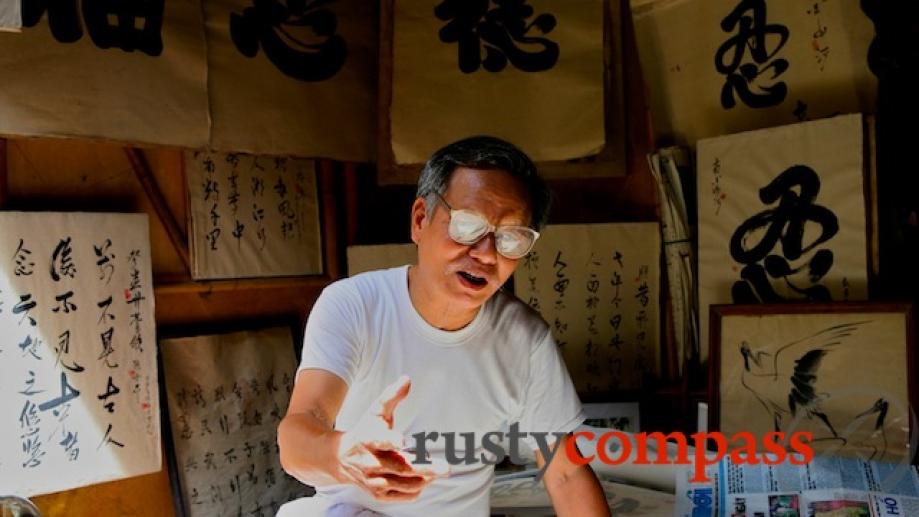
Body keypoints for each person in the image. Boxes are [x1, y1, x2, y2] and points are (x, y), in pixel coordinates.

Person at [277, 136, 610, 516]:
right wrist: (341, 454)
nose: (486, 254)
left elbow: (565, 472)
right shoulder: (354, 305)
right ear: (420, 220)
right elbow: (297, 436)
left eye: (510, 237)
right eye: (468, 225)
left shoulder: (524, 338)